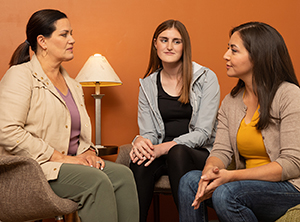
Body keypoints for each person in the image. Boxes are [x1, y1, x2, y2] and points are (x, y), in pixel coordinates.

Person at [0, 9, 139, 222]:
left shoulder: (73, 85)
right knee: (96, 181)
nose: (72, 39)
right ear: (42, 41)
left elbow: (78, 136)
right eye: (64, 34)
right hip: (34, 170)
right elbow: (6, 131)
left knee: (123, 175)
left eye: (71, 34)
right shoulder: (20, 76)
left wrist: (90, 151)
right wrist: (62, 158)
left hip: (68, 164)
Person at [178, 21, 300, 222]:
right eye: (228, 49)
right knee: (190, 181)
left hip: (289, 187)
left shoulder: (289, 95)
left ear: (258, 56)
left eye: (233, 50)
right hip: (246, 185)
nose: (226, 55)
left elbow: (292, 164)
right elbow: (221, 151)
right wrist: (210, 171)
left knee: (227, 193)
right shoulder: (231, 101)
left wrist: (231, 176)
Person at [129, 19, 220, 221]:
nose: (169, 46)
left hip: (198, 152)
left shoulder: (206, 78)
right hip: (161, 151)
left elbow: (204, 133)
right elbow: (149, 133)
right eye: (164, 40)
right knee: (139, 160)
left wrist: (165, 147)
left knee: (177, 152)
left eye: (176, 41)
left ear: (184, 46)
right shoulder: (147, 85)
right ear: (155, 44)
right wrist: (141, 141)